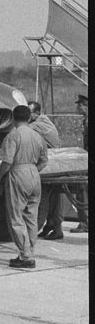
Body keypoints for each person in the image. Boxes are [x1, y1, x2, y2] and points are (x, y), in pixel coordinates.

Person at [0, 104, 48, 269]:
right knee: (31, 217)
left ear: (13, 119)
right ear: (29, 118)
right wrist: (33, 170)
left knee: (16, 217)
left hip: (18, 173)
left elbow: (7, 162)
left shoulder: (13, 136)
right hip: (34, 174)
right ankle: (28, 252)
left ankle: (25, 256)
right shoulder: (37, 136)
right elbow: (44, 160)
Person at [28, 100, 63, 239]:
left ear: (37, 113)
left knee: (48, 197)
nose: (26, 115)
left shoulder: (39, 123)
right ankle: (52, 226)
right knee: (53, 197)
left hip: (52, 163)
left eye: (28, 112)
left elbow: (21, 129)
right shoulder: (40, 120)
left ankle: (54, 227)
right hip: (52, 160)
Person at [68, 93, 88, 233]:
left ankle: (84, 223)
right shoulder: (85, 120)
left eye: (80, 105)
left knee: (83, 190)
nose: (78, 108)